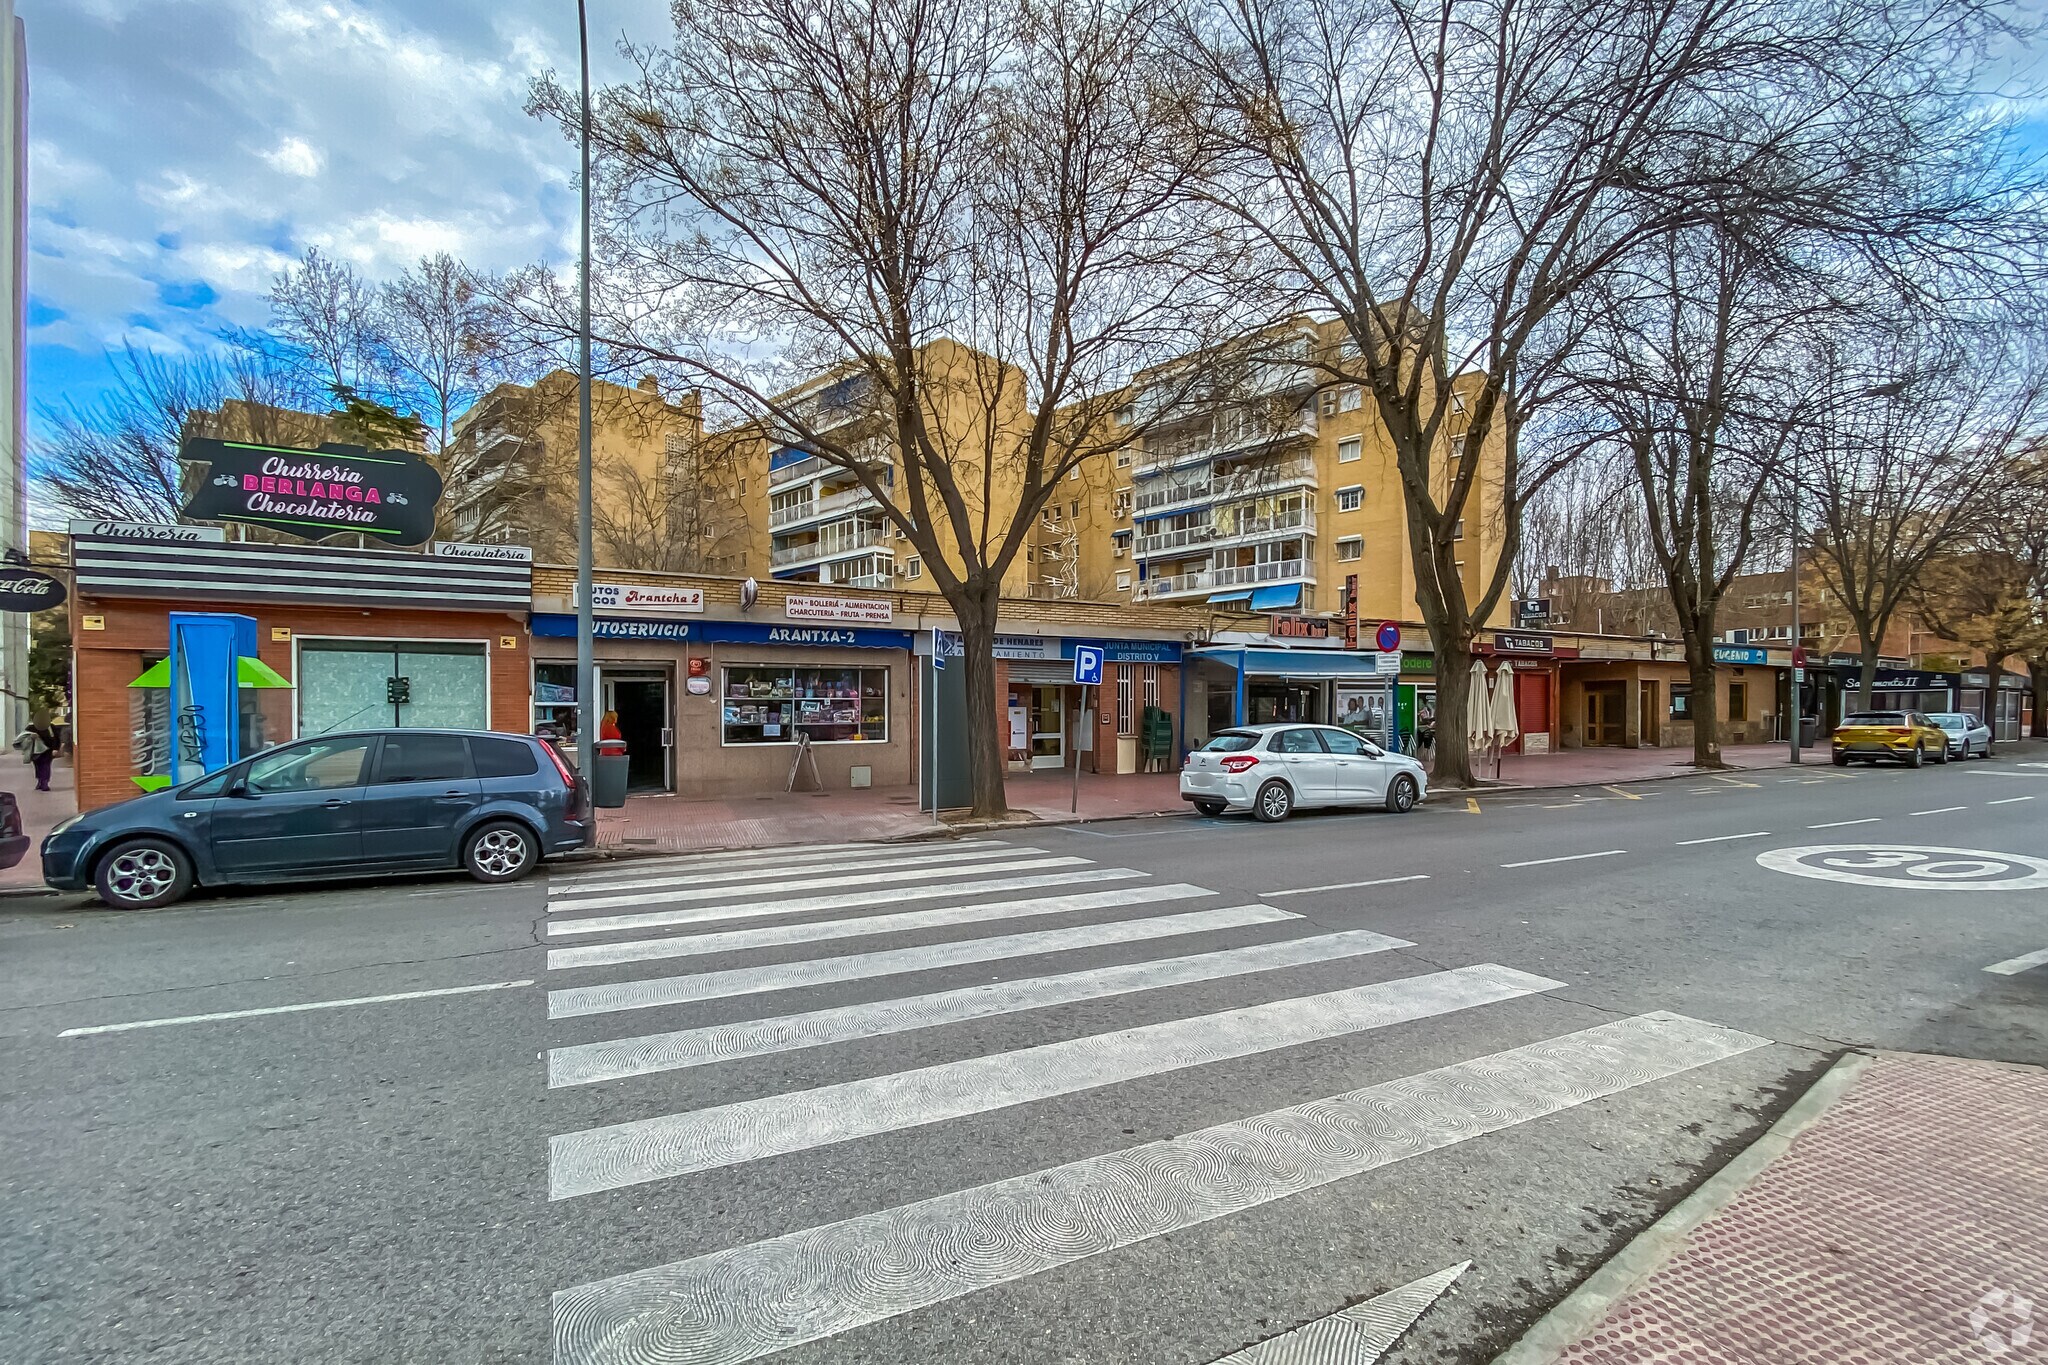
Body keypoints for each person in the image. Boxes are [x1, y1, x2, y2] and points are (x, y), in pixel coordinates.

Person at [13, 716, 58, 792]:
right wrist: (31, 737)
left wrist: (56, 748)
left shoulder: (51, 727)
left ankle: (45, 783)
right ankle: (40, 781)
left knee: (46, 766)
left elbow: (56, 738)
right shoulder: (31, 727)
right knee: (37, 766)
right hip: (35, 751)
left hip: (48, 750)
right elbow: (23, 737)